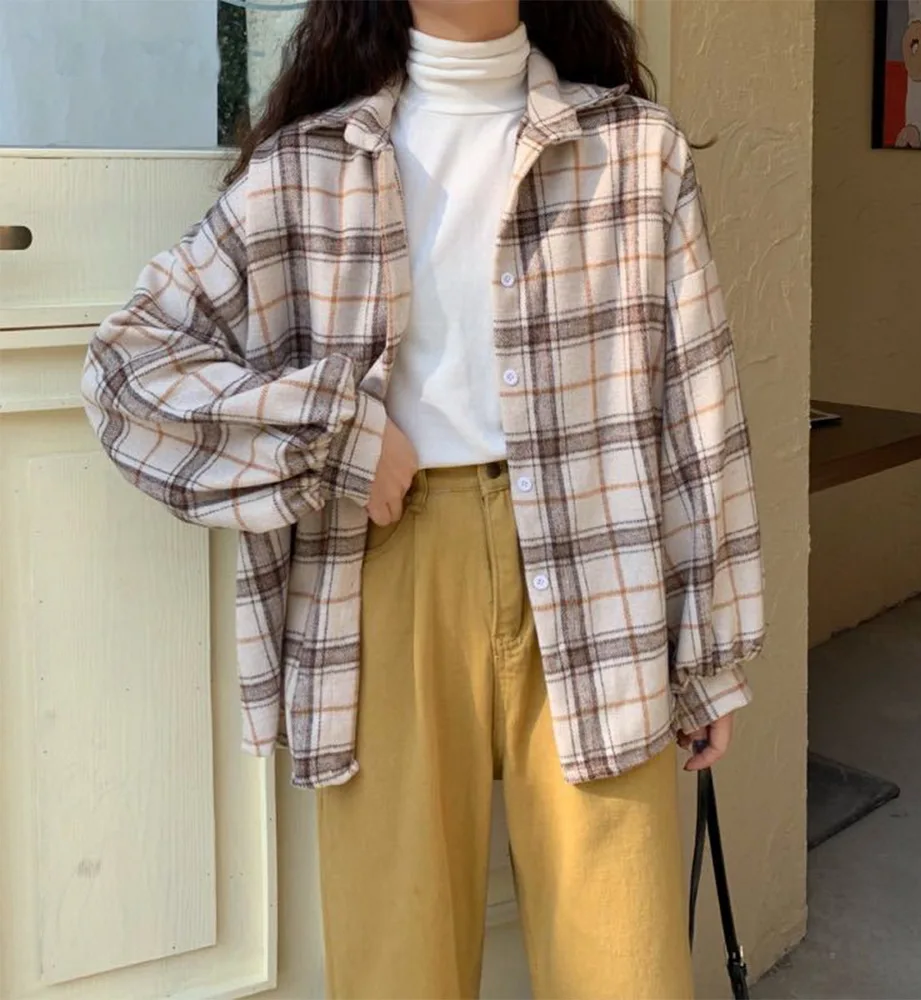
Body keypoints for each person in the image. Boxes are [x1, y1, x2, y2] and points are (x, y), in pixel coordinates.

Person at [81, 1, 764, 996]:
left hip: (599, 566)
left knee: (624, 962)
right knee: (398, 963)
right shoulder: (306, 171)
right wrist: (338, 439)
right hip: (384, 577)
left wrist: (708, 656)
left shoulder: (632, 150)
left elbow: (697, 409)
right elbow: (126, 371)